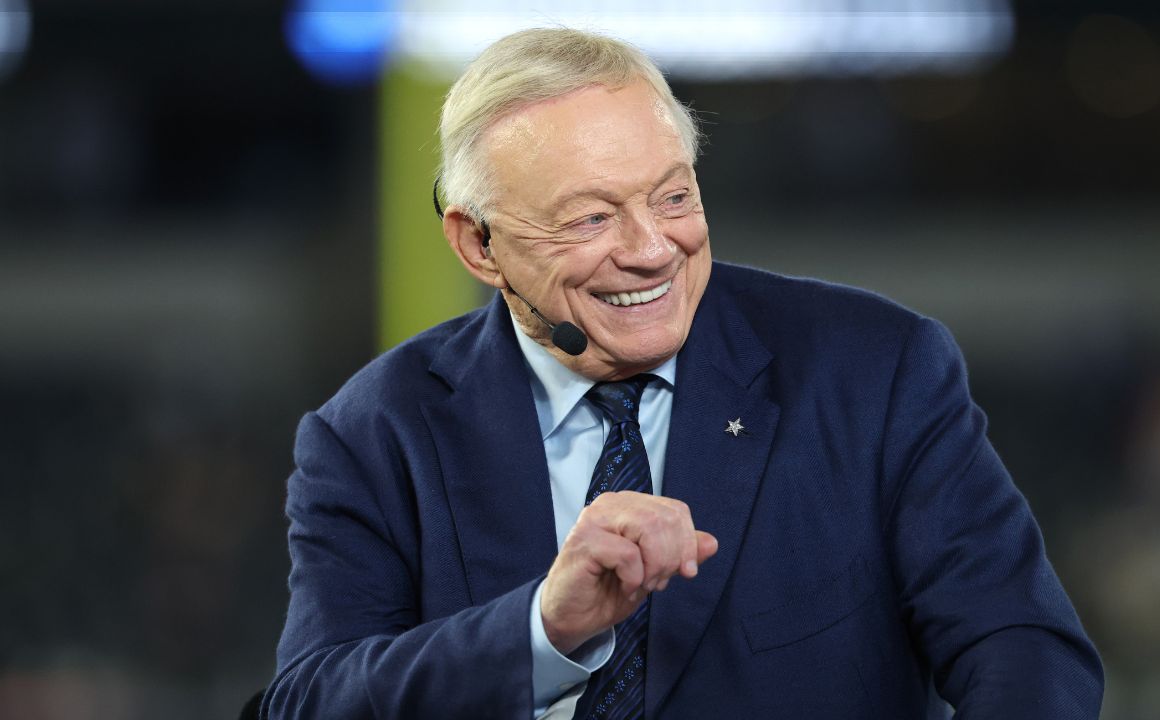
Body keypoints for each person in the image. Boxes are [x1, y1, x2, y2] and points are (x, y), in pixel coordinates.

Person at [262, 27, 1103, 719]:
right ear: (479, 244)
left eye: (673, 197)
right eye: (590, 217)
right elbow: (308, 702)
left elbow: (1023, 649)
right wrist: (542, 630)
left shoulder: (874, 371)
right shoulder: (375, 433)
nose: (651, 250)